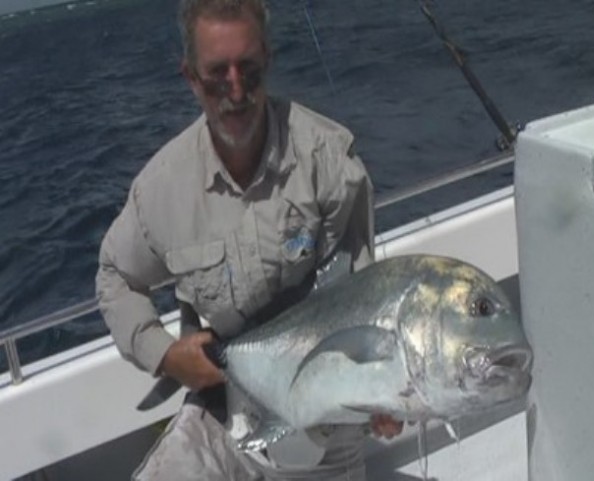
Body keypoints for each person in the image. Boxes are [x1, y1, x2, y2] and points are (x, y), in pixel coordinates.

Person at [96, 0, 402, 479]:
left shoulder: (329, 163)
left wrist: (383, 394)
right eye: (217, 74)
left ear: (268, 62)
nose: (235, 90)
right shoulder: (161, 190)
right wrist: (166, 354)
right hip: (221, 409)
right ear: (191, 77)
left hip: (320, 418)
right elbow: (115, 275)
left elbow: (362, 301)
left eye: (249, 71)